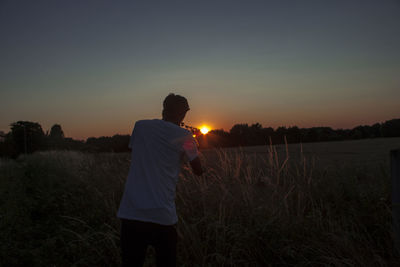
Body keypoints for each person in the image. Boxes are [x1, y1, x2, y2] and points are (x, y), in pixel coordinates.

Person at [117, 93, 203, 267]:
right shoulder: (185, 137)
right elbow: (198, 170)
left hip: (131, 215)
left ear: (164, 109)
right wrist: (193, 142)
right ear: (183, 113)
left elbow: (140, 149)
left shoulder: (140, 126)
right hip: (162, 217)